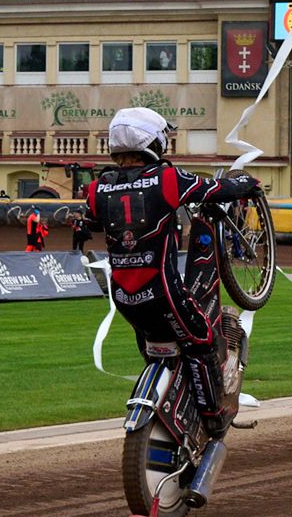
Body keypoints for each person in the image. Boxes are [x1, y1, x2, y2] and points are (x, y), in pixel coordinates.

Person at [85, 107, 261, 439]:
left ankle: (173, 406)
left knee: (157, 348)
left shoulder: (98, 188)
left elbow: (90, 220)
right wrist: (244, 183)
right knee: (202, 341)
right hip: (164, 294)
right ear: (154, 141)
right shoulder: (167, 178)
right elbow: (215, 191)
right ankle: (213, 416)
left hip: (125, 299)